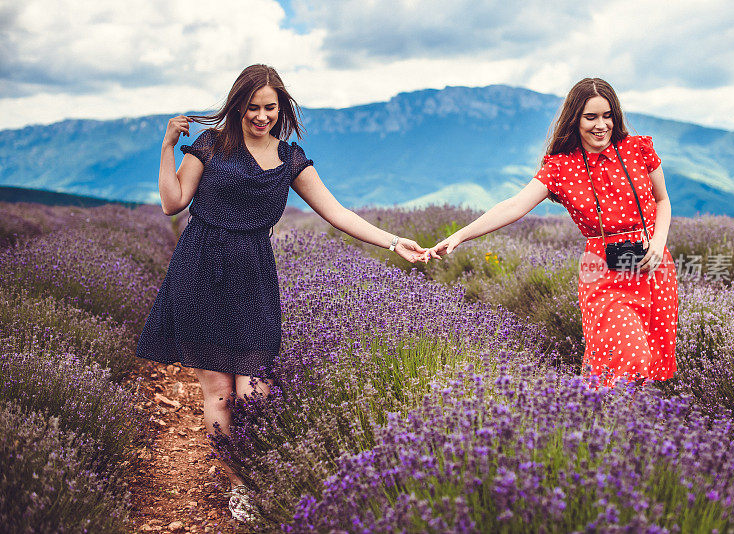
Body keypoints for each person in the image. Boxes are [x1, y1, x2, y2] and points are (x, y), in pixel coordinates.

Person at [135, 64, 427, 521]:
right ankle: (232, 484)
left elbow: (338, 212)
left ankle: (251, 472)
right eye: (252, 107)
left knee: (256, 390)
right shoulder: (211, 145)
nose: (261, 116)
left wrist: (394, 242)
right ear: (237, 106)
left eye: (269, 107)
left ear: (281, 108)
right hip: (200, 270)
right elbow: (173, 202)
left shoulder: (291, 161)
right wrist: (168, 147)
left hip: (253, 277)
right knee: (219, 391)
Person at [428, 77, 678, 388]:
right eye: (591, 117)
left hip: (654, 268)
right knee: (631, 355)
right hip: (604, 274)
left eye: (608, 115)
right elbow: (515, 205)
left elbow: (662, 200)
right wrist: (460, 235)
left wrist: (657, 241)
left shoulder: (637, 149)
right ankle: (608, 421)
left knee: (648, 367)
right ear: (576, 120)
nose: (601, 125)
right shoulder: (561, 167)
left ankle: (620, 429)